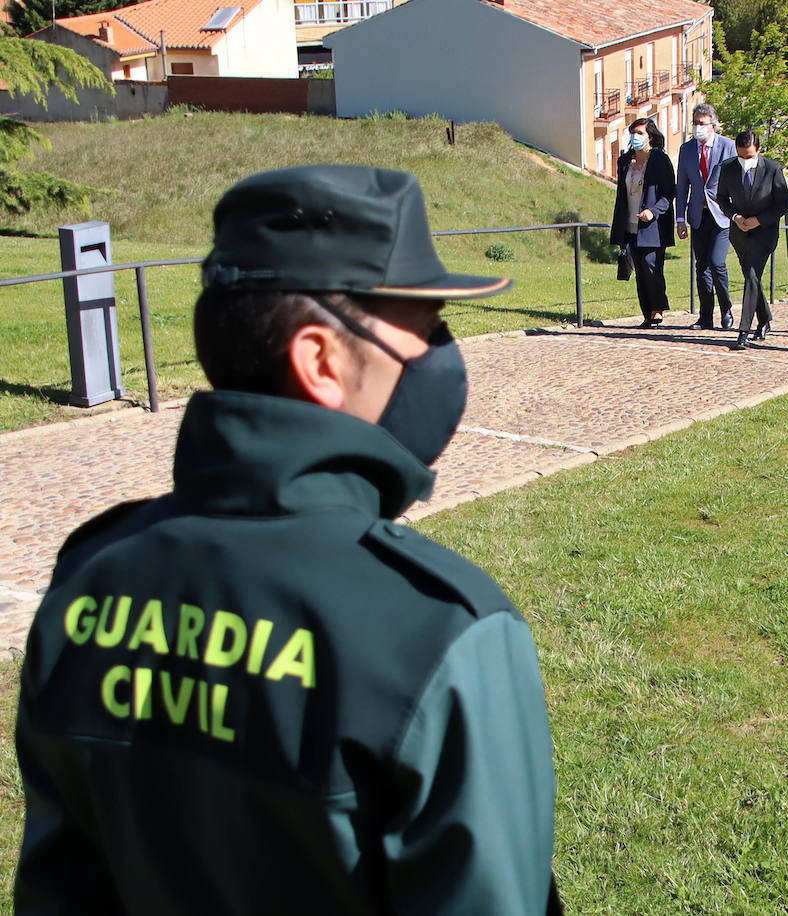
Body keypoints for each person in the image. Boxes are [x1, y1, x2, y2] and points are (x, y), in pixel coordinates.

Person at [15, 165, 562, 915]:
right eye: (426, 323)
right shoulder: (442, 630)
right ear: (321, 361)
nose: (443, 351)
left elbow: (59, 887)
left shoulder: (88, 574)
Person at [718, 128, 788, 350]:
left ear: (758, 150)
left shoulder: (773, 169)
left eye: (749, 156)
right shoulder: (729, 168)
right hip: (740, 233)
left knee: (751, 275)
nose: (744, 161)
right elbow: (721, 198)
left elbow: (783, 203)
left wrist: (759, 220)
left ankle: (743, 331)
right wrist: (736, 217)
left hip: (764, 232)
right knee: (752, 277)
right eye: (741, 156)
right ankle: (765, 318)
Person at [676, 102, 737, 331]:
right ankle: (705, 316)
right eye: (695, 123)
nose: (698, 128)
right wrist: (680, 219)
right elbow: (681, 185)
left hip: (721, 215)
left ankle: (727, 309)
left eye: (702, 124)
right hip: (698, 215)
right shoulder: (686, 149)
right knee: (701, 266)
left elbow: (736, 182)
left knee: (717, 262)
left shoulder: (728, 147)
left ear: (713, 125)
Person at [611, 117, 675, 328]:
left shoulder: (660, 160)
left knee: (651, 267)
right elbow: (622, 194)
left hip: (652, 226)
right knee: (639, 269)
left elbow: (668, 194)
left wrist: (653, 212)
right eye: (633, 133)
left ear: (650, 137)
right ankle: (647, 312)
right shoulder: (624, 161)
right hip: (629, 223)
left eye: (640, 133)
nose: (635, 137)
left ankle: (657, 310)